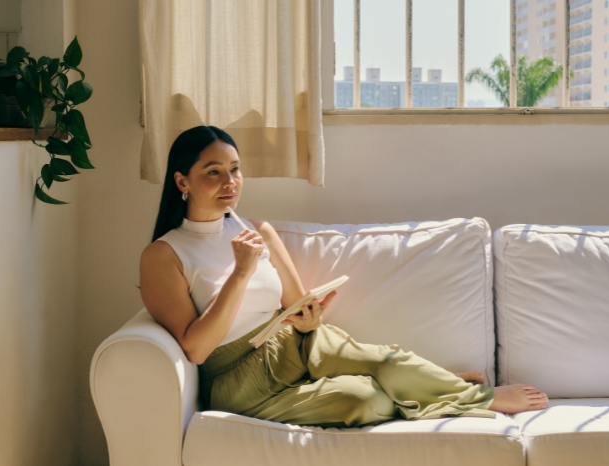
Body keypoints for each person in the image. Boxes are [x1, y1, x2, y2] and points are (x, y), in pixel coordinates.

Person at [140, 126, 548, 428]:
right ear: (182, 181)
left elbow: (297, 305)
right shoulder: (163, 255)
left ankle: (473, 396)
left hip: (292, 340)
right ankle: (426, 386)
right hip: (238, 378)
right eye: (214, 172)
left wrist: (310, 317)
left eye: (235, 169)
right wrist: (240, 275)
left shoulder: (258, 229)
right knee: (361, 401)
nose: (230, 182)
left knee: (386, 359)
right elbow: (195, 349)